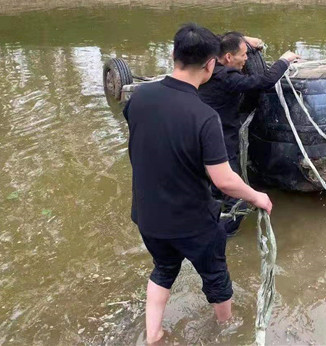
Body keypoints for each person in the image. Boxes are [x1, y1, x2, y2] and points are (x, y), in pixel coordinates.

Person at [123, 23, 273, 344]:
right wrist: (257, 197)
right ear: (210, 65)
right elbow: (224, 180)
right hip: (192, 221)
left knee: (163, 270)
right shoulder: (204, 116)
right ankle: (226, 330)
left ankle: (154, 335)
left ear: (173, 55)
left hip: (148, 217)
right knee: (217, 278)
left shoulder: (139, 97)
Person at [199, 31, 299, 235]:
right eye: (243, 55)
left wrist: (245, 40)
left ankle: (206, 220)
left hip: (199, 138)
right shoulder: (227, 78)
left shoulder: (206, 63)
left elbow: (217, 36)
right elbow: (264, 82)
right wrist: (284, 60)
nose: (247, 59)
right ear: (228, 57)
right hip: (220, 144)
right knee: (239, 202)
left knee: (213, 190)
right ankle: (219, 237)